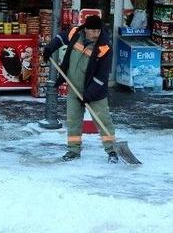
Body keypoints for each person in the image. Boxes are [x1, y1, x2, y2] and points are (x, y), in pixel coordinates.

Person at [42, 15, 118, 163]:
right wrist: (50, 47)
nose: (96, 34)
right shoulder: (76, 33)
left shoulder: (104, 47)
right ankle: (73, 150)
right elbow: (61, 37)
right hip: (74, 87)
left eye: (98, 31)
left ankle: (112, 150)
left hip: (95, 92)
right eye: (93, 31)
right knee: (73, 120)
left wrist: (88, 95)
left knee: (103, 120)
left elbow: (102, 76)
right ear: (86, 29)